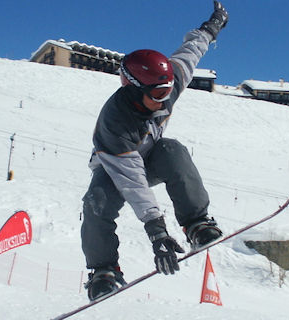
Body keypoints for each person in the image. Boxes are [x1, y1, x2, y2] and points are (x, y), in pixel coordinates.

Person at [80, 1, 229, 301]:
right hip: (115, 169)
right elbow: (132, 181)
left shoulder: (167, 85)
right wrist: (156, 231)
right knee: (96, 203)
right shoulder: (115, 123)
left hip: (152, 157)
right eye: (158, 94)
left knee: (173, 150)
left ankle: (196, 223)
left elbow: (190, 53)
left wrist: (211, 28)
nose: (165, 101)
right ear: (134, 89)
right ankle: (104, 270)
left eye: (169, 91)